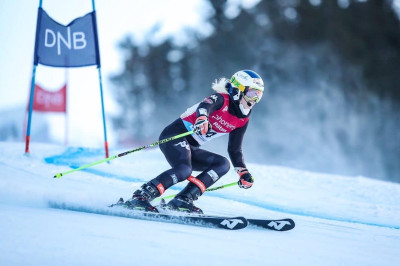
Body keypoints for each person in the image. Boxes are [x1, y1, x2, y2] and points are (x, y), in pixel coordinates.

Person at [124, 70, 264, 214]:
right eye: (252, 93)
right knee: (184, 170)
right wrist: (202, 118)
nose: (254, 100)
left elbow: (235, 149)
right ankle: (141, 197)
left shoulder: (242, 120)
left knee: (222, 164)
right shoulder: (221, 99)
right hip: (174, 136)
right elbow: (204, 106)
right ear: (237, 90)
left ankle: (183, 199)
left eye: (258, 95)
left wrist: (242, 171)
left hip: (190, 147)